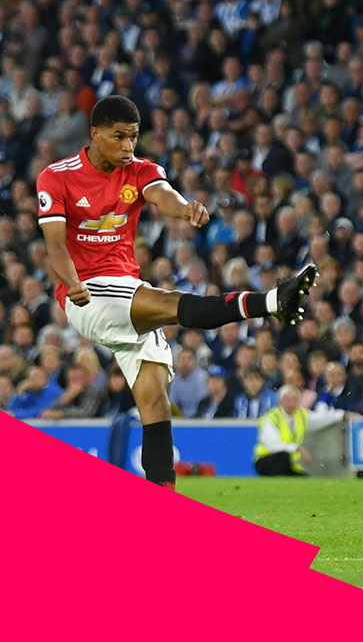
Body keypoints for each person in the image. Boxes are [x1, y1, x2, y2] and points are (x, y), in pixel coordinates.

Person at [36, 96, 317, 490]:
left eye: (133, 138)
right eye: (118, 137)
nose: (127, 147)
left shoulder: (139, 170)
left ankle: (164, 509)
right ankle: (271, 302)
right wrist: (73, 280)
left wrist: (186, 209)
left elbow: (162, 194)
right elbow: (55, 245)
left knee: (154, 404)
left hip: (127, 288)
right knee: (169, 304)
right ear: (95, 134)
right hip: (86, 295)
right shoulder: (56, 176)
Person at [253, 385, 349, 476]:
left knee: (303, 480)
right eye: (287, 400)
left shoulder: (301, 416)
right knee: (282, 457)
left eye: (294, 399)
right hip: (266, 460)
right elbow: (272, 444)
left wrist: (342, 414)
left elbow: (321, 418)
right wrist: (297, 448)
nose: (291, 403)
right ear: (280, 401)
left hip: (288, 462)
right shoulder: (272, 418)